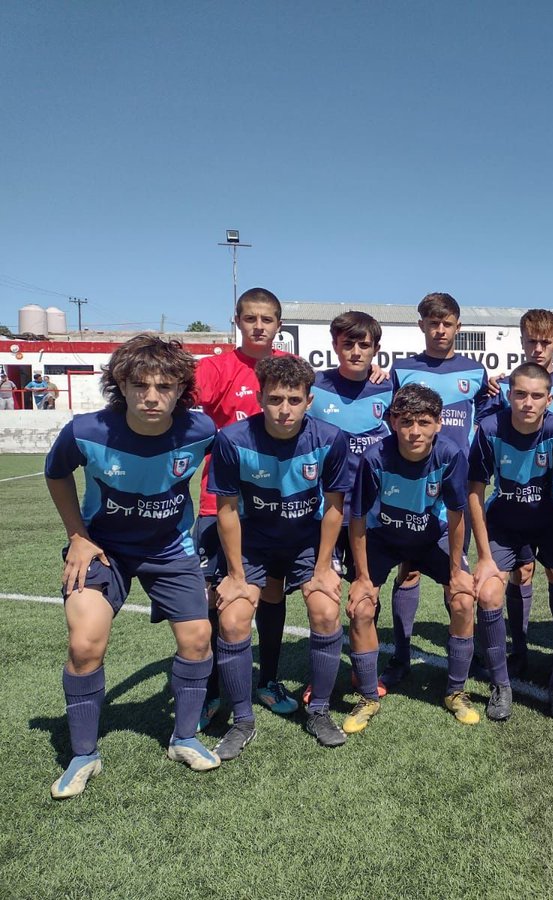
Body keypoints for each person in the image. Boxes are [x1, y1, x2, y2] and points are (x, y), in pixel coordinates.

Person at [44, 334, 219, 798]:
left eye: (165, 385)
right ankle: (84, 753)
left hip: (170, 549)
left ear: (182, 389)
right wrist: (77, 536)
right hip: (103, 549)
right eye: (140, 384)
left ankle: (184, 737)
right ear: (120, 383)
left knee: (199, 638)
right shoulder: (86, 431)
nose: (152, 396)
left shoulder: (201, 431)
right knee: (84, 643)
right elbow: (56, 472)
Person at [208, 356, 354, 751]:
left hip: (306, 541)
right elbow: (226, 511)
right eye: (275, 399)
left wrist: (323, 567)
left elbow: (335, 507)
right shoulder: (233, 440)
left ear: (309, 401)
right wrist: (236, 575)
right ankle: (241, 721)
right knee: (234, 619)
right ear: (259, 398)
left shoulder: (330, 438)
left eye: (293, 399)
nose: (284, 409)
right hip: (254, 542)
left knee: (325, 610)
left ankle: (320, 710)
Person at [348, 385, 499, 723]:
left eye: (424, 422)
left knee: (462, 598)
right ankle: (368, 697)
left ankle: (455, 691)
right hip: (384, 538)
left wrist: (457, 568)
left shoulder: (449, 455)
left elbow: (458, 513)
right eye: (406, 422)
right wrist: (361, 577)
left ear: (439, 423)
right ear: (392, 422)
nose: (415, 431)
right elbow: (357, 519)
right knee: (360, 606)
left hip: (432, 537)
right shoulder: (375, 458)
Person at [193, 288, 297, 727]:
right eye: (251, 317)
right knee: (219, 598)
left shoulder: (290, 371)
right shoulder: (216, 368)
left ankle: (268, 680)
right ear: (237, 319)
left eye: (267, 319)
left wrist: (376, 379)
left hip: (275, 507)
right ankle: (213, 691)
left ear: (278, 324)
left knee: (272, 592)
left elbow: (326, 394)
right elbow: (180, 404)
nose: (259, 325)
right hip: (221, 504)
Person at [479, 309, 553, 677]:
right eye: (532, 341)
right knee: (520, 573)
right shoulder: (502, 390)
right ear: (522, 341)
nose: (539, 348)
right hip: (511, 504)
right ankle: (518, 649)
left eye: (546, 342)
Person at [385, 292, 489, 686]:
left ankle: (464, 654)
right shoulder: (400, 370)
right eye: (433, 322)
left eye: (447, 323)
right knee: (407, 572)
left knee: (456, 574)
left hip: (453, 489)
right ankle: (400, 654)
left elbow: (490, 413)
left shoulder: (476, 373)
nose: (440, 329)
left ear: (458, 326)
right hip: (411, 490)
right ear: (422, 326)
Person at [468, 363, 553, 719]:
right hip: (504, 522)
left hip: (549, 522)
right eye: (520, 394)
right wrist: (484, 556)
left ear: (549, 399)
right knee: (487, 592)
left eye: (535, 396)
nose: (527, 403)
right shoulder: (489, 428)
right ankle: (502, 684)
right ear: (508, 394)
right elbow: (475, 491)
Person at [306, 310, 395, 700]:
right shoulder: (315, 387)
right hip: (324, 514)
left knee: (364, 599)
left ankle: (364, 674)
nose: (356, 351)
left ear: (376, 349)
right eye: (348, 343)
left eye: (364, 344)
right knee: (324, 600)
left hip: (371, 518)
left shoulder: (388, 388)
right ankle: (322, 677)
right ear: (335, 344)